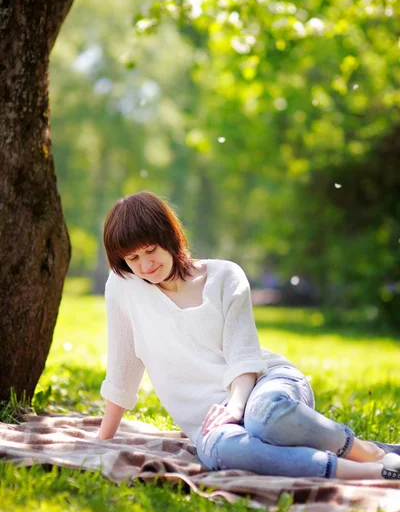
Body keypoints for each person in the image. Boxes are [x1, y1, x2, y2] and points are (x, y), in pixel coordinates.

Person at [98, 191, 400, 481]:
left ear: (169, 236)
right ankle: (376, 472)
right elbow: (123, 368)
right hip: (209, 421)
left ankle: (370, 453)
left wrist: (235, 408)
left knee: (265, 419)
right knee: (225, 452)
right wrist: (102, 441)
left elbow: (244, 357)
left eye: (151, 250)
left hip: (262, 384)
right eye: (133, 258)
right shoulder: (125, 286)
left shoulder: (225, 277)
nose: (145, 265)